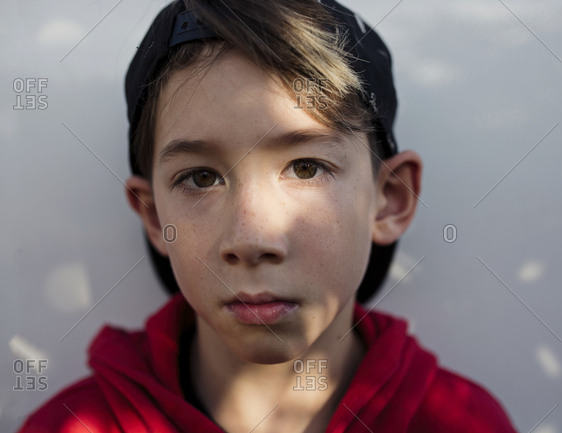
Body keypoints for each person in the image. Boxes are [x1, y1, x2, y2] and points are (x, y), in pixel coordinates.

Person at [17, 0, 518, 431]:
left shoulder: (461, 423)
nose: (251, 237)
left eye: (306, 168)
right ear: (153, 217)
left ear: (390, 199)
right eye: (199, 178)